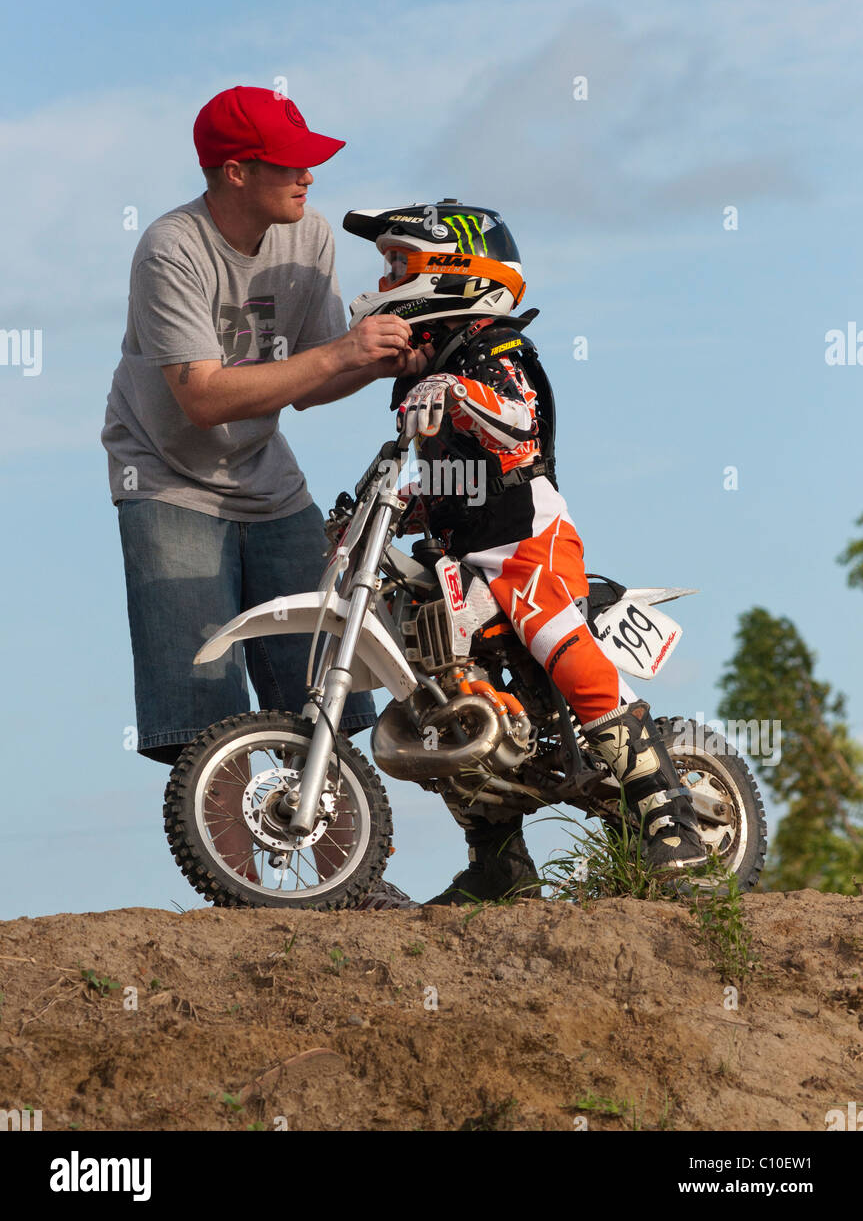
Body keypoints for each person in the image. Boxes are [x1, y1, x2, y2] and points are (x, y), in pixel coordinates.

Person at [102, 86, 429, 887]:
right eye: (292, 161)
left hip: (270, 484)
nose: (309, 175)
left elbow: (311, 381)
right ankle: (241, 897)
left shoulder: (307, 235)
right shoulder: (170, 247)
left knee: (323, 691)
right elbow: (204, 394)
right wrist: (342, 354)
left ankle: (355, 884)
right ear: (236, 170)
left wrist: (389, 359)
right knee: (203, 714)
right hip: (168, 482)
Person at [343, 200, 708, 904]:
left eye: (396, 262)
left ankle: (671, 816)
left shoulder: (495, 347)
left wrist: (456, 389)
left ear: (448, 269)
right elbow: (451, 477)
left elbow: (518, 428)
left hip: (525, 542)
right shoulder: (427, 366)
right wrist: (388, 510)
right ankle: (499, 863)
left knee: (548, 629)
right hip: (459, 556)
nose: (384, 277)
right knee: (438, 688)